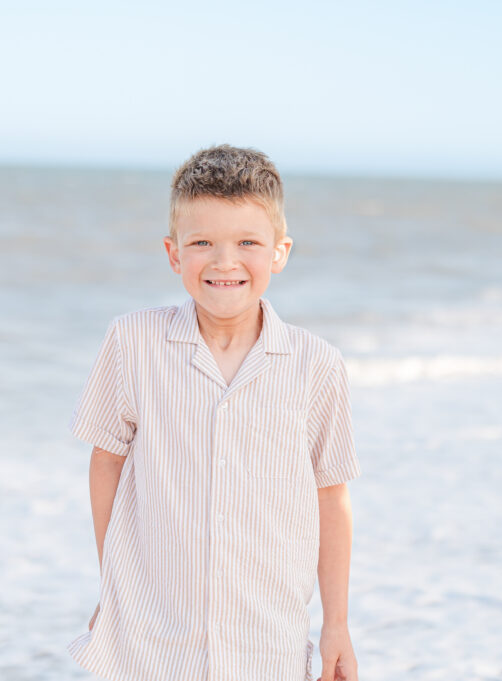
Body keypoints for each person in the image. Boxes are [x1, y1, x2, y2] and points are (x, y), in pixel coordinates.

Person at [67, 143, 361, 681]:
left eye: (247, 242)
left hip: (265, 642)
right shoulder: (132, 343)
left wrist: (335, 624)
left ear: (279, 251)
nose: (225, 262)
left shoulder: (317, 365)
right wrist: (112, 586)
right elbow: (106, 462)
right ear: (174, 253)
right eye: (202, 242)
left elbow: (331, 495)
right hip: (153, 638)